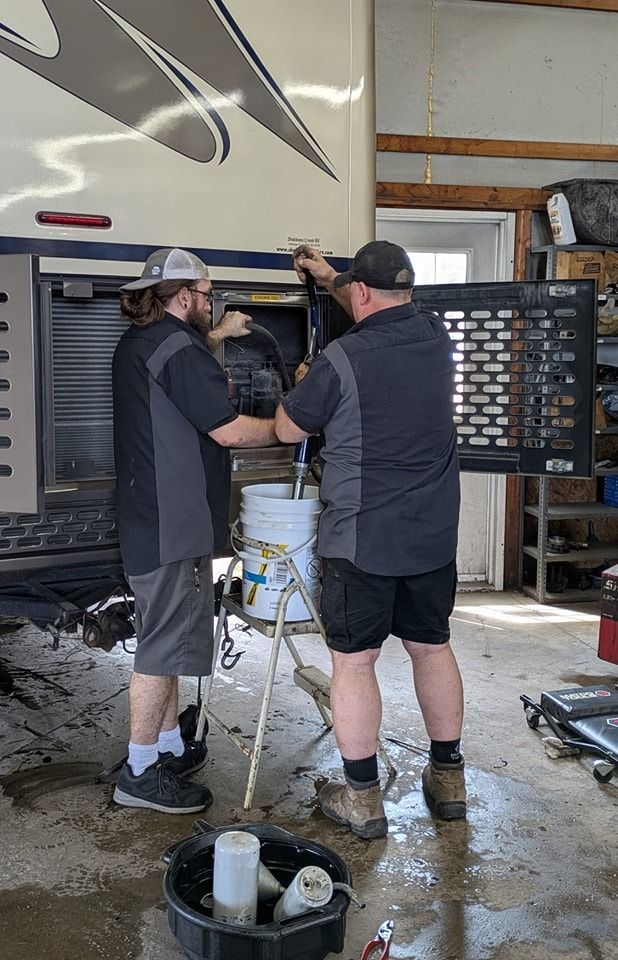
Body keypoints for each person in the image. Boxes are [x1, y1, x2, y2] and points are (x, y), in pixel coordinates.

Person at [274, 240, 464, 839]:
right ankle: (449, 779)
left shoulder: (340, 358)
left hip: (362, 539)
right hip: (432, 535)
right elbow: (381, 304)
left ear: (360, 293)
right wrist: (332, 275)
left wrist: (303, 383)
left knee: (354, 664)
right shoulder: (436, 334)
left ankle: (362, 798)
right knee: (431, 648)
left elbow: (286, 428)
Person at [112, 247, 278, 814]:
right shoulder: (179, 348)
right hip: (172, 522)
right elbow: (229, 431)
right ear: (185, 297)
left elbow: (182, 375)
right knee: (160, 649)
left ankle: (166, 745)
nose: (214, 304)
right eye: (209, 296)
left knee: (172, 638)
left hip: (150, 514)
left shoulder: (144, 340)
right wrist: (291, 426)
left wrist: (218, 336)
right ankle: (138, 771)